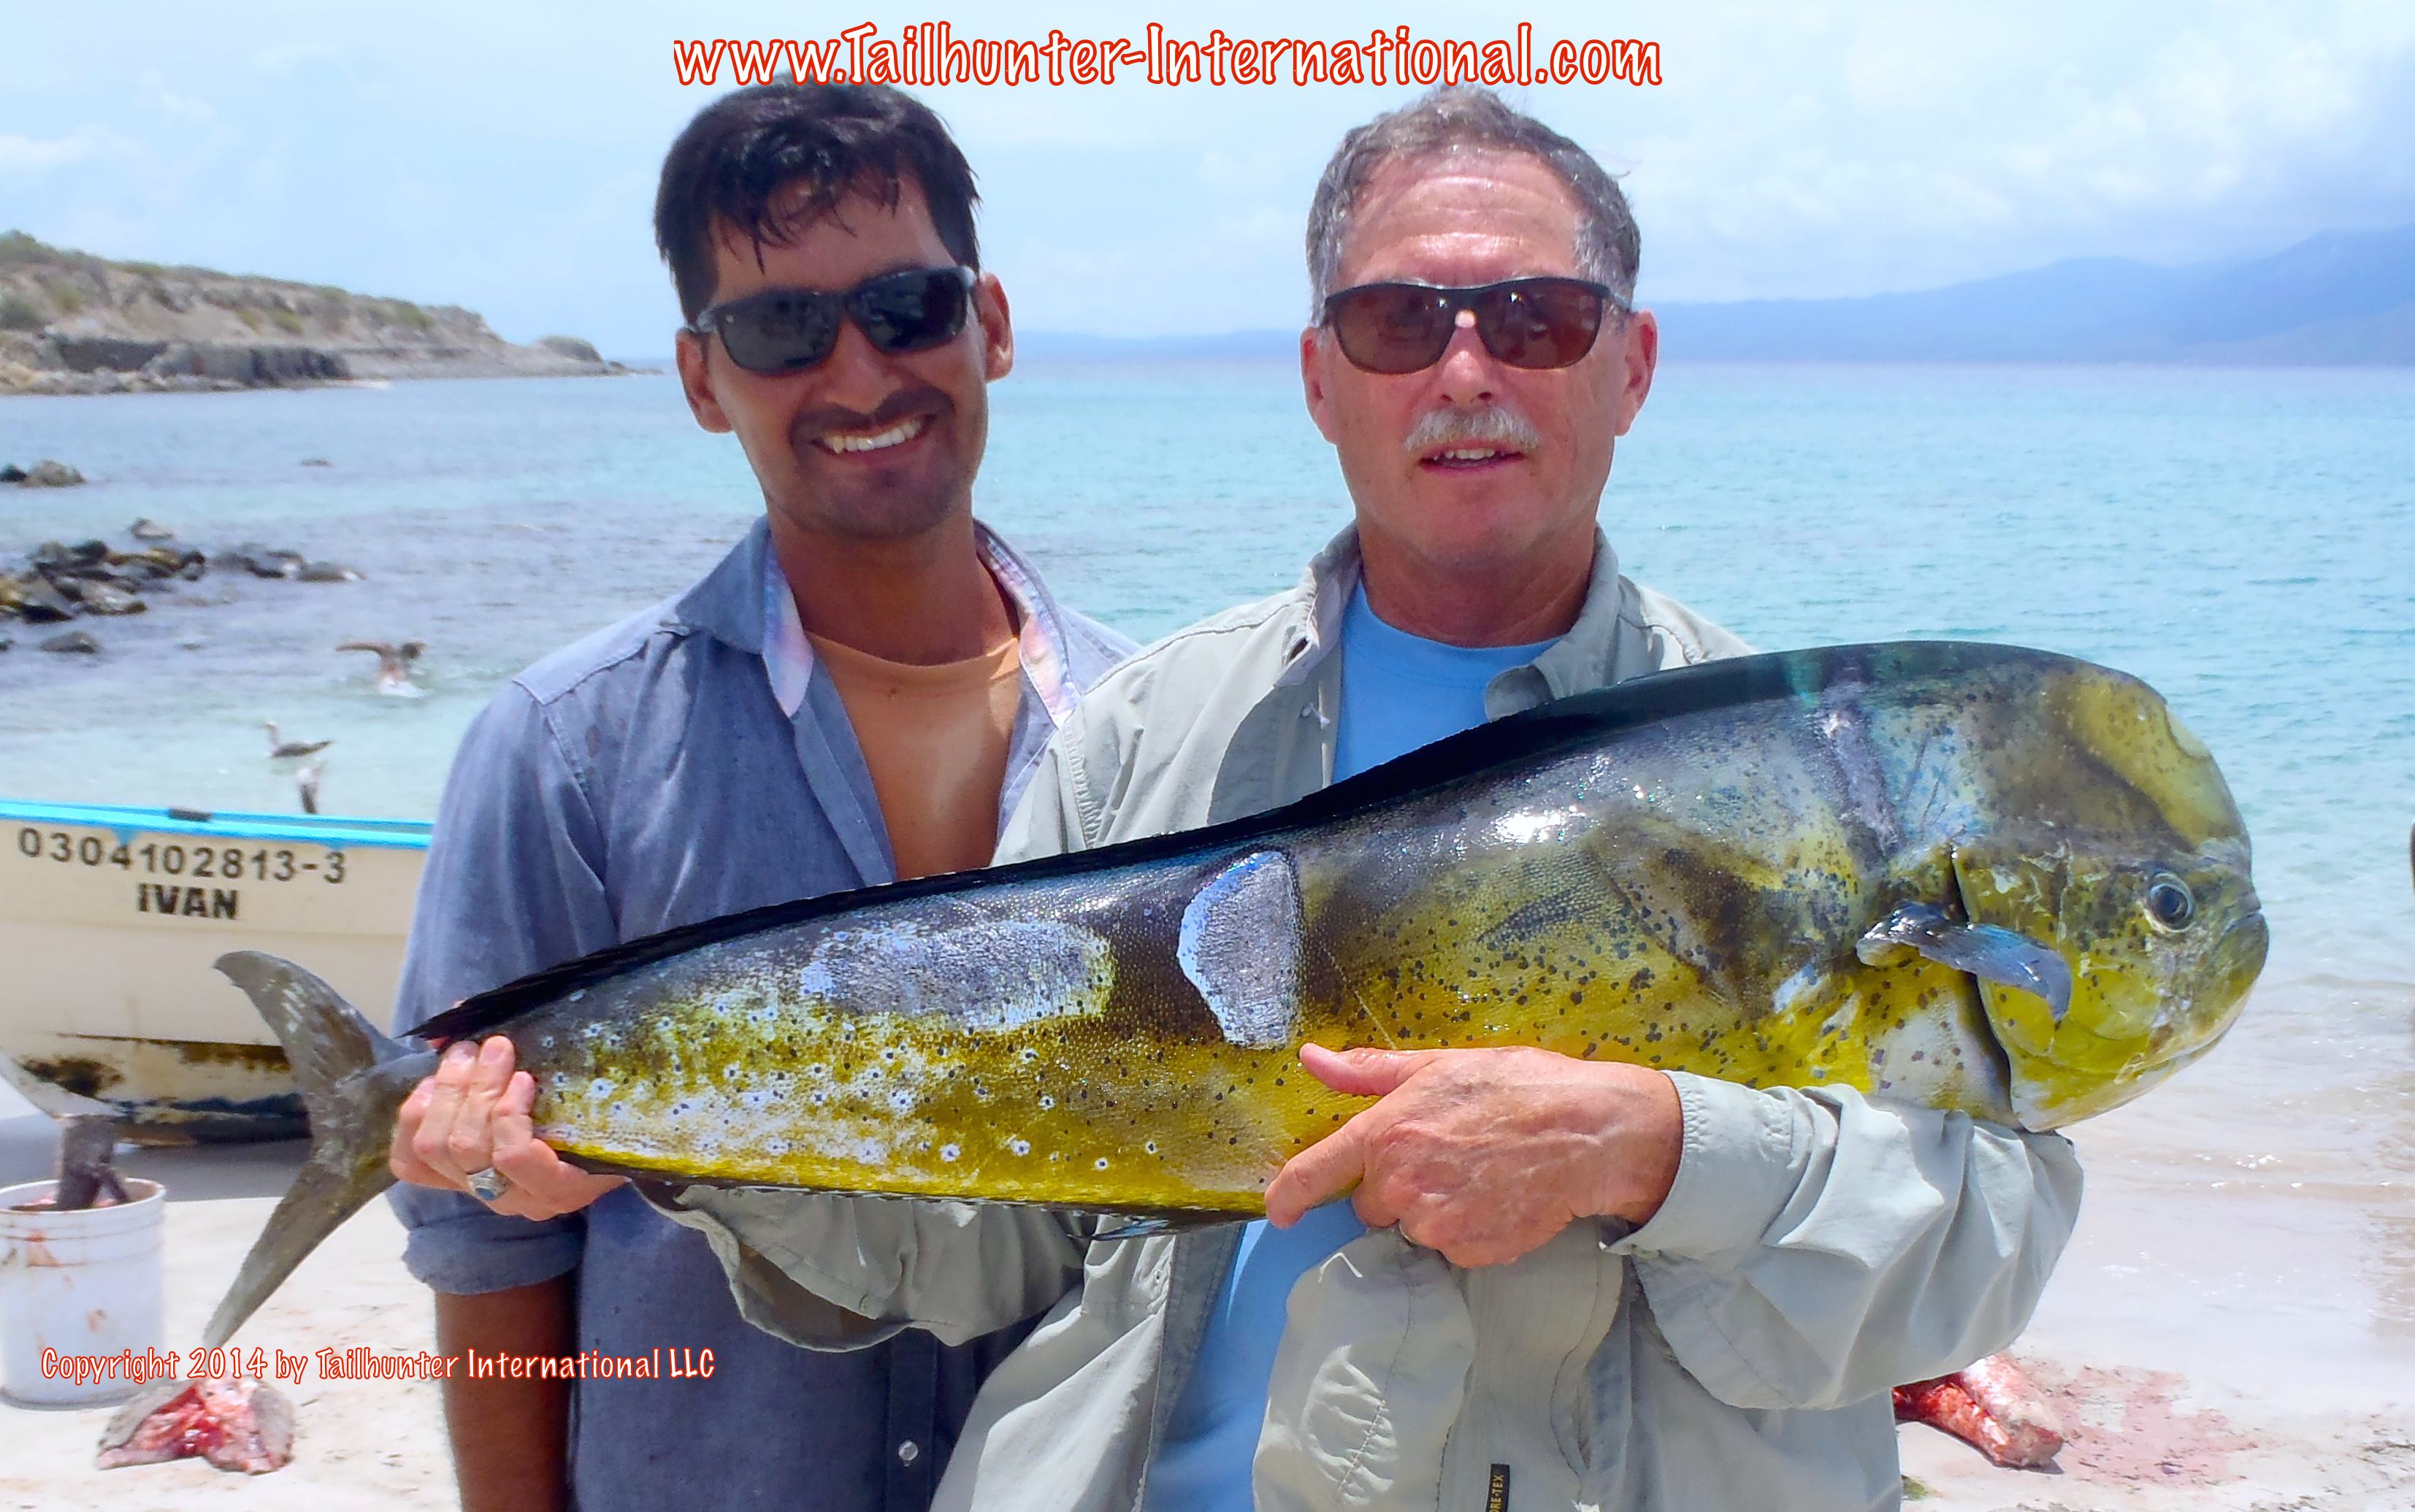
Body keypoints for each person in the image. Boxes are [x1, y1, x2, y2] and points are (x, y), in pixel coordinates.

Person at [459, 87, 2083, 1512]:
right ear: (1319, 377)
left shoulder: (1831, 776)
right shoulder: (1144, 735)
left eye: (1534, 319)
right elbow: (986, 1240)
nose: (1465, 370)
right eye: (1397, 324)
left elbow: (1990, 1234)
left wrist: (1657, 1148)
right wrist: (675, 1143)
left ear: (1632, 364)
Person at [380, 82, 1130, 1512]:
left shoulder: (1156, 732)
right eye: (784, 329)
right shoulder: (567, 748)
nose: (859, 375)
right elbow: (484, 1243)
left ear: (990, 323)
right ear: (700, 377)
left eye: (906, 307)